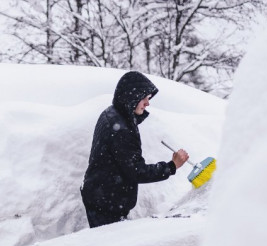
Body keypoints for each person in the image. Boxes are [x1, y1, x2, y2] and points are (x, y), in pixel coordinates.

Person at [80, 71, 189, 228]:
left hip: (100, 196)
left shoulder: (111, 113)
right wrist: (172, 166)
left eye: (149, 98)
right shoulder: (122, 129)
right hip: (106, 203)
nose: (147, 103)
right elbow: (137, 171)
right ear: (130, 97)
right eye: (144, 98)